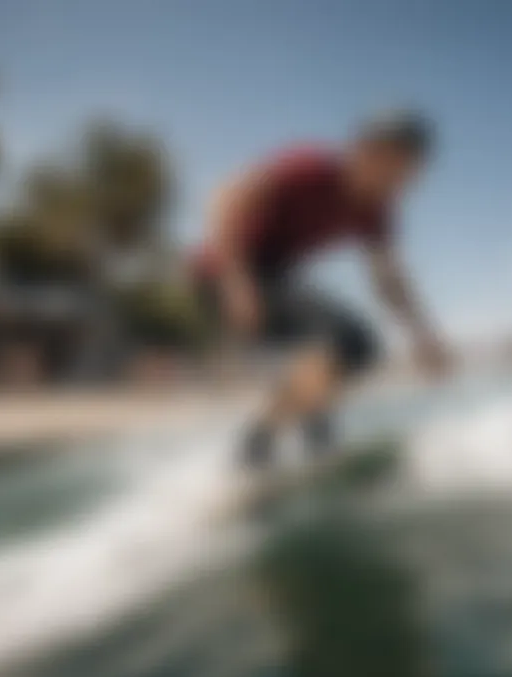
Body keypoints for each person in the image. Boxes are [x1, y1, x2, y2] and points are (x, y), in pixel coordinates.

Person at [191, 111, 450, 468]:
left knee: (352, 351)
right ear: (364, 151)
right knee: (341, 339)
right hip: (225, 272)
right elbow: (225, 197)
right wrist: (235, 281)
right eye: (397, 165)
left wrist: (423, 335)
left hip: (275, 276)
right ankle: (257, 444)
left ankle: (316, 442)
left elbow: (389, 279)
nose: (402, 180)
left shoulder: (376, 211)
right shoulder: (310, 168)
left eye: (410, 171)